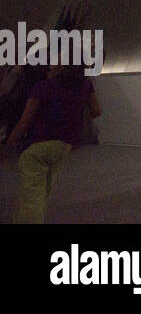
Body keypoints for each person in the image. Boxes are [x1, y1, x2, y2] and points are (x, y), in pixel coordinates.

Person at [4, 67, 101, 223]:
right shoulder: (85, 85)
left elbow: (25, 121)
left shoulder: (43, 86)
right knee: (42, 193)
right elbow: (97, 111)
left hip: (38, 144)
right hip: (64, 144)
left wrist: (8, 146)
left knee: (31, 197)